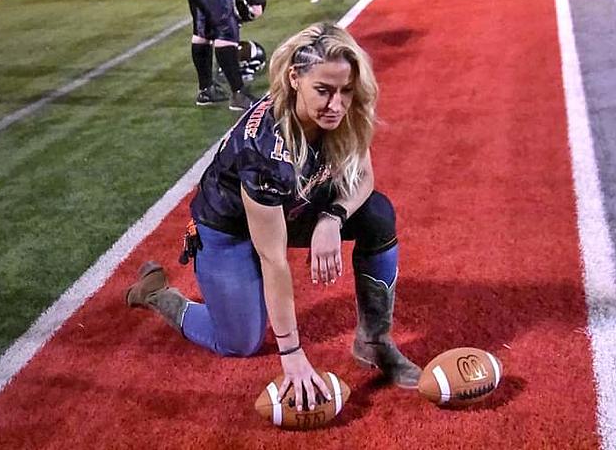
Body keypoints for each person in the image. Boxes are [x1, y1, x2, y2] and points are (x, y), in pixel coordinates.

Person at [126, 23, 422, 408]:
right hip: (229, 227)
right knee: (239, 343)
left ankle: (373, 342)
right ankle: (158, 296)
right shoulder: (267, 147)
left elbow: (363, 176)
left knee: (377, 214)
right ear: (295, 78)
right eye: (324, 91)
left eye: (345, 91)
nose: (336, 104)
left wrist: (332, 217)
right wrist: (292, 354)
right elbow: (273, 257)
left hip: (291, 202)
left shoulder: (345, 109)